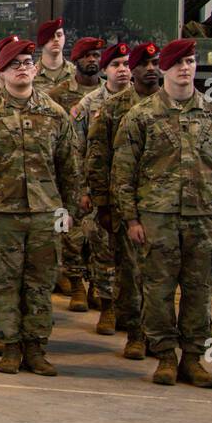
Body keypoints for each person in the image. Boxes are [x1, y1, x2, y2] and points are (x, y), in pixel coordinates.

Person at [112, 39, 212, 388]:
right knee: (158, 290)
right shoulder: (141, 116)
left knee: (200, 291)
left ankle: (194, 359)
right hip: (158, 217)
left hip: (204, 217)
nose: (186, 68)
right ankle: (165, 356)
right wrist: (132, 219)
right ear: (164, 69)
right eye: (178, 62)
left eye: (191, 61)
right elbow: (123, 172)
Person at [0, 38, 86, 377]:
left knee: (41, 283)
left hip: (46, 212)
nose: (24, 67)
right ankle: (10, 346)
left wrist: (68, 211)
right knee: (4, 282)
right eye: (16, 63)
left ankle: (37, 348)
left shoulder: (53, 112)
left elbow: (69, 167)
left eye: (28, 61)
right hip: (1, 212)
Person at [86, 42, 159, 357]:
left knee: (162, 275)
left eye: (155, 63)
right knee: (129, 272)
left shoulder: (173, 106)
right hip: (125, 204)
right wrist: (101, 201)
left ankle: (160, 335)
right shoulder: (114, 108)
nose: (150, 69)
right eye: (143, 63)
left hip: (165, 206)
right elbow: (98, 157)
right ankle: (135, 333)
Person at [72, 41, 132, 335]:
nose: (123, 70)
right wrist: (84, 190)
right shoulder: (89, 105)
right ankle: (107, 308)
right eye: (116, 65)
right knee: (103, 251)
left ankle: (130, 312)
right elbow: (78, 150)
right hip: (102, 191)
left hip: (135, 193)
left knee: (135, 258)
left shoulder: (146, 101)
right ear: (106, 71)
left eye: (126, 64)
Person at [48, 36, 106, 311]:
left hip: (101, 179)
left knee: (100, 236)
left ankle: (98, 287)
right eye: (87, 56)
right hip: (71, 175)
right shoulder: (59, 94)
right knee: (70, 234)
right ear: (77, 60)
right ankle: (76, 286)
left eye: (96, 55)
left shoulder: (109, 96)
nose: (92, 60)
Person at [34, 18, 75, 90]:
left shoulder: (76, 74)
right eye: (51, 36)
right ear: (42, 41)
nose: (56, 39)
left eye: (59, 35)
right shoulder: (31, 75)